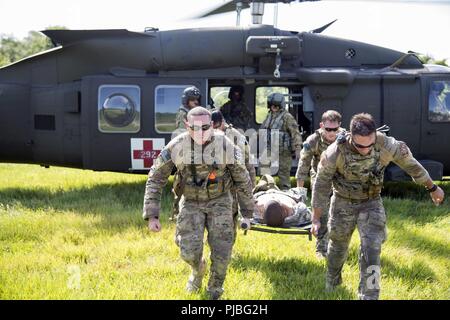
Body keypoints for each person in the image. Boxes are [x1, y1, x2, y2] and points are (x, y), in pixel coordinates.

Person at [311, 113, 445, 300]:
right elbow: (321, 185)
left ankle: (370, 294)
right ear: (350, 135)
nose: (365, 150)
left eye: (369, 145)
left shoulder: (386, 144)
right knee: (338, 247)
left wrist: (432, 187)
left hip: (371, 202)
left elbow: (411, 165)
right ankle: (332, 283)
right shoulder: (335, 152)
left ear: (375, 135)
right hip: (342, 202)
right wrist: (316, 219)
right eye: (360, 146)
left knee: (372, 250)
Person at [143, 106, 254, 300]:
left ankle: (215, 290)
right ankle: (197, 269)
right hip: (191, 202)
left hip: (220, 201)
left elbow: (242, 178)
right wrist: (152, 214)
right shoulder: (177, 146)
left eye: (205, 127)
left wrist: (247, 213)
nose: (200, 132)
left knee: (222, 251)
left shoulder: (225, 145)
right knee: (188, 251)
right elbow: (156, 177)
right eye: (195, 128)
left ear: (211, 125)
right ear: (187, 125)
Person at [295, 110, 344, 259]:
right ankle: (321, 250)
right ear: (322, 126)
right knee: (321, 214)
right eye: (328, 129)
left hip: (340, 178)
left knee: (339, 215)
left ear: (339, 126)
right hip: (320, 179)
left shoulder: (345, 139)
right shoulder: (312, 141)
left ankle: (337, 246)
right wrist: (300, 195)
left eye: (335, 129)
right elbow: (303, 167)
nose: (331, 133)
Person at [211, 109, 256, 242]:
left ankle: (228, 247)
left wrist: (251, 189)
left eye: (217, 127)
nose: (215, 130)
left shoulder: (236, 137)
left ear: (223, 122)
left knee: (230, 217)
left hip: (232, 184)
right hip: (213, 184)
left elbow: (247, 163)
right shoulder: (207, 134)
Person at [260, 92, 302, 190]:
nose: (274, 107)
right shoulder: (269, 116)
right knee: (264, 169)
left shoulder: (287, 117)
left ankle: (286, 193)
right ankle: (266, 191)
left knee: (284, 174)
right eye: (272, 105)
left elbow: (295, 133)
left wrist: (297, 148)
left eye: (276, 106)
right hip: (270, 148)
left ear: (280, 106)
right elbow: (263, 128)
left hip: (284, 151)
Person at [172, 86, 202, 220]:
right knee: (182, 184)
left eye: (197, 99)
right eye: (192, 100)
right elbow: (182, 135)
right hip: (185, 154)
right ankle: (177, 213)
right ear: (186, 101)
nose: (196, 102)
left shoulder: (191, 113)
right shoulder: (183, 114)